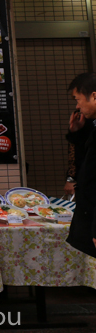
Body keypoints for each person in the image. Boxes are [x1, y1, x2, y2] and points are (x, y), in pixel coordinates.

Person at [66, 73, 96, 258]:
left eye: (78, 100)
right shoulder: (92, 127)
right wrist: (77, 134)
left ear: (94, 96)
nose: (77, 106)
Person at [66, 106, 94, 196]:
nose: (78, 105)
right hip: (88, 178)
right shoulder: (82, 116)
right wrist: (71, 178)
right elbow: (75, 151)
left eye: (78, 99)